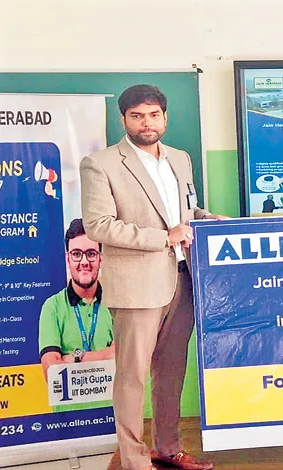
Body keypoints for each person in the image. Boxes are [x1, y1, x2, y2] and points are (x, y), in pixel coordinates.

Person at [80, 85, 223, 470]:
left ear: (165, 117)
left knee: (172, 372)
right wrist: (164, 238)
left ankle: (168, 448)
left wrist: (208, 219)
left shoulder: (180, 158)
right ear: (124, 119)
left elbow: (185, 211)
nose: (147, 123)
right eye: (138, 116)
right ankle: (134, 460)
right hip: (136, 286)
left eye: (154, 115)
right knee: (132, 377)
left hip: (182, 279)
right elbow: (99, 225)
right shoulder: (101, 164)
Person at [38, 218, 114, 411]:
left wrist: (75, 358)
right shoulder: (52, 307)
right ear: (68, 259)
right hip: (68, 420)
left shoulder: (118, 304)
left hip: (112, 417)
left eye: (91, 254)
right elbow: (52, 373)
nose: (84, 262)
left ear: (100, 258)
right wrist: (105, 356)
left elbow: (124, 361)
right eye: (77, 254)